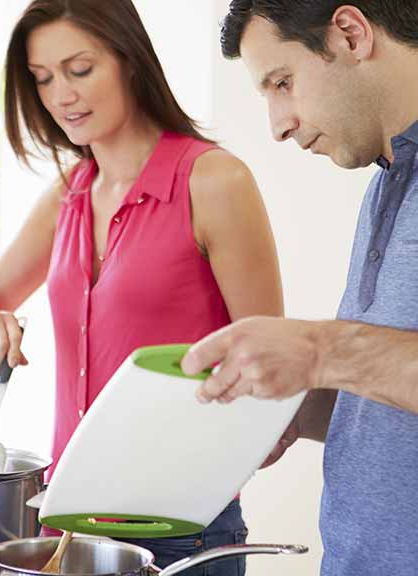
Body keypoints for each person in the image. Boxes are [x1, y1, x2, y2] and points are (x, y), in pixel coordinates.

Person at [0, 0, 282, 573]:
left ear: (129, 61)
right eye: (42, 79)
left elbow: (273, 369)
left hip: (184, 531)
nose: (61, 96)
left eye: (79, 70)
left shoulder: (214, 181)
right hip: (67, 526)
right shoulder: (69, 194)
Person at [180, 2, 418, 575]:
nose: (278, 124)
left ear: (351, 33)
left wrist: (319, 351)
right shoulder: (386, 184)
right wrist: (300, 408)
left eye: (283, 83)